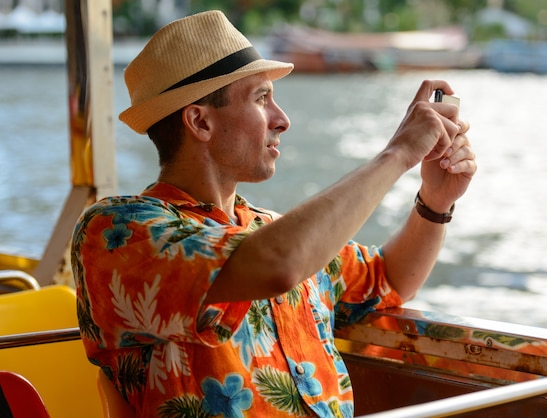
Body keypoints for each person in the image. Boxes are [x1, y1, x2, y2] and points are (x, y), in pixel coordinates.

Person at [71, 10, 476, 418]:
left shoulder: (270, 230)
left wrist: (435, 202)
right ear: (200, 121)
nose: (282, 120)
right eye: (261, 98)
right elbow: (276, 265)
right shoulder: (117, 232)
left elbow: (388, 279)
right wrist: (398, 154)